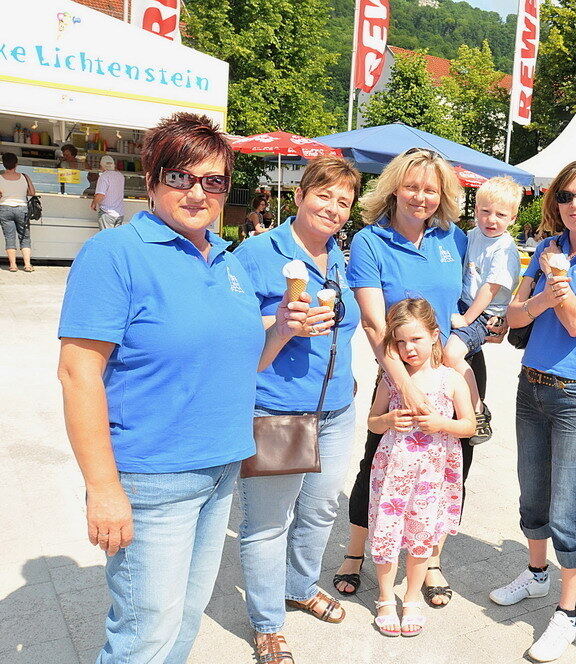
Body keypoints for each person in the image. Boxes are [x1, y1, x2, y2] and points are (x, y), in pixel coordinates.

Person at [56, 112, 315, 664]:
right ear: (152, 179)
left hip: (222, 467)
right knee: (143, 635)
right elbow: (78, 374)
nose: (198, 192)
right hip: (153, 478)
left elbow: (247, 361)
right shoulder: (115, 254)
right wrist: (103, 488)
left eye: (214, 180)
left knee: (182, 623)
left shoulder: (225, 258)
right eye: (181, 177)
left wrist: (285, 328)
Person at [490, 160, 576, 662]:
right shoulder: (548, 249)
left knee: (568, 508)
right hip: (532, 386)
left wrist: (551, 297)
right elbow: (511, 315)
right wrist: (545, 298)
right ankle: (534, 575)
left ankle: (567, 616)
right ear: (555, 204)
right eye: (567, 196)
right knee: (533, 492)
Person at [336, 147, 482, 607]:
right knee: (377, 460)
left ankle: (431, 559)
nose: (421, 196)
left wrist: (467, 344)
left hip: (451, 368)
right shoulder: (369, 242)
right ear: (394, 188)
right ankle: (355, 553)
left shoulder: (455, 240)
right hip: (397, 371)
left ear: (443, 196)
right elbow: (375, 325)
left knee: (449, 469)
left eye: (431, 189)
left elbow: (475, 309)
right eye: (413, 186)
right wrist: (405, 384)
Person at [232, 156, 363, 663]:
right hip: (280, 410)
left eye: (343, 201)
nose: (332, 208)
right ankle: (267, 623)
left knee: (320, 509)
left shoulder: (342, 258)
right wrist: (281, 323)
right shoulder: (259, 253)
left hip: (336, 408)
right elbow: (234, 336)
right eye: (323, 195)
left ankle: (301, 585)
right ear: (300, 194)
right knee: (269, 522)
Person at [368, 298, 476, 637]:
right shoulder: (392, 380)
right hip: (393, 473)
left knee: (421, 536)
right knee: (386, 532)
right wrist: (386, 419)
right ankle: (386, 597)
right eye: (400, 342)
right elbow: (372, 422)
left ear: (434, 335)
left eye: (415, 339)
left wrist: (442, 423)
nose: (407, 348)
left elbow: (470, 426)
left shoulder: (452, 380)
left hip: (432, 476)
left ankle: (411, 597)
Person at [443, 175, 523, 443]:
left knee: (452, 354)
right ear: (475, 210)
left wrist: (466, 318)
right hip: (466, 304)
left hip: (485, 313)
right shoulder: (472, 235)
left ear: (513, 217)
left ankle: (478, 411)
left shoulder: (505, 249)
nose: (492, 220)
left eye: (501, 214)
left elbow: (489, 290)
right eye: (485, 212)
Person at [0, 152, 35, 272]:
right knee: (25, 237)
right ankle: (27, 265)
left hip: (5, 208)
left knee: (9, 237)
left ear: (3, 164)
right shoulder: (24, 176)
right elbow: (32, 193)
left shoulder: (0, 177)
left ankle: (13, 265)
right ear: (16, 164)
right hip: (22, 208)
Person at [93, 155, 126, 229]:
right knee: (115, 238)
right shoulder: (120, 176)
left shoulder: (104, 176)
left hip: (107, 213)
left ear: (102, 166)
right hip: (119, 213)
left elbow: (100, 195)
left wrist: (94, 203)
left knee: (106, 238)